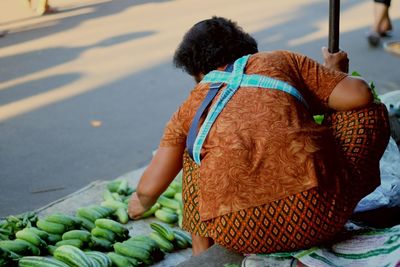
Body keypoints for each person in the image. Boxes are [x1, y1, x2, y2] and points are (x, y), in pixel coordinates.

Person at [128, 17, 390, 256]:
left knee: (195, 153)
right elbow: (360, 95)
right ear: (246, 48)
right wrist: (336, 75)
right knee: (365, 111)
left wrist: (139, 203)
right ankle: (343, 190)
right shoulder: (279, 61)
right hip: (323, 213)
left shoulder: (190, 106)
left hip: (239, 234)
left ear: (198, 72)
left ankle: (202, 254)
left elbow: (148, 190)